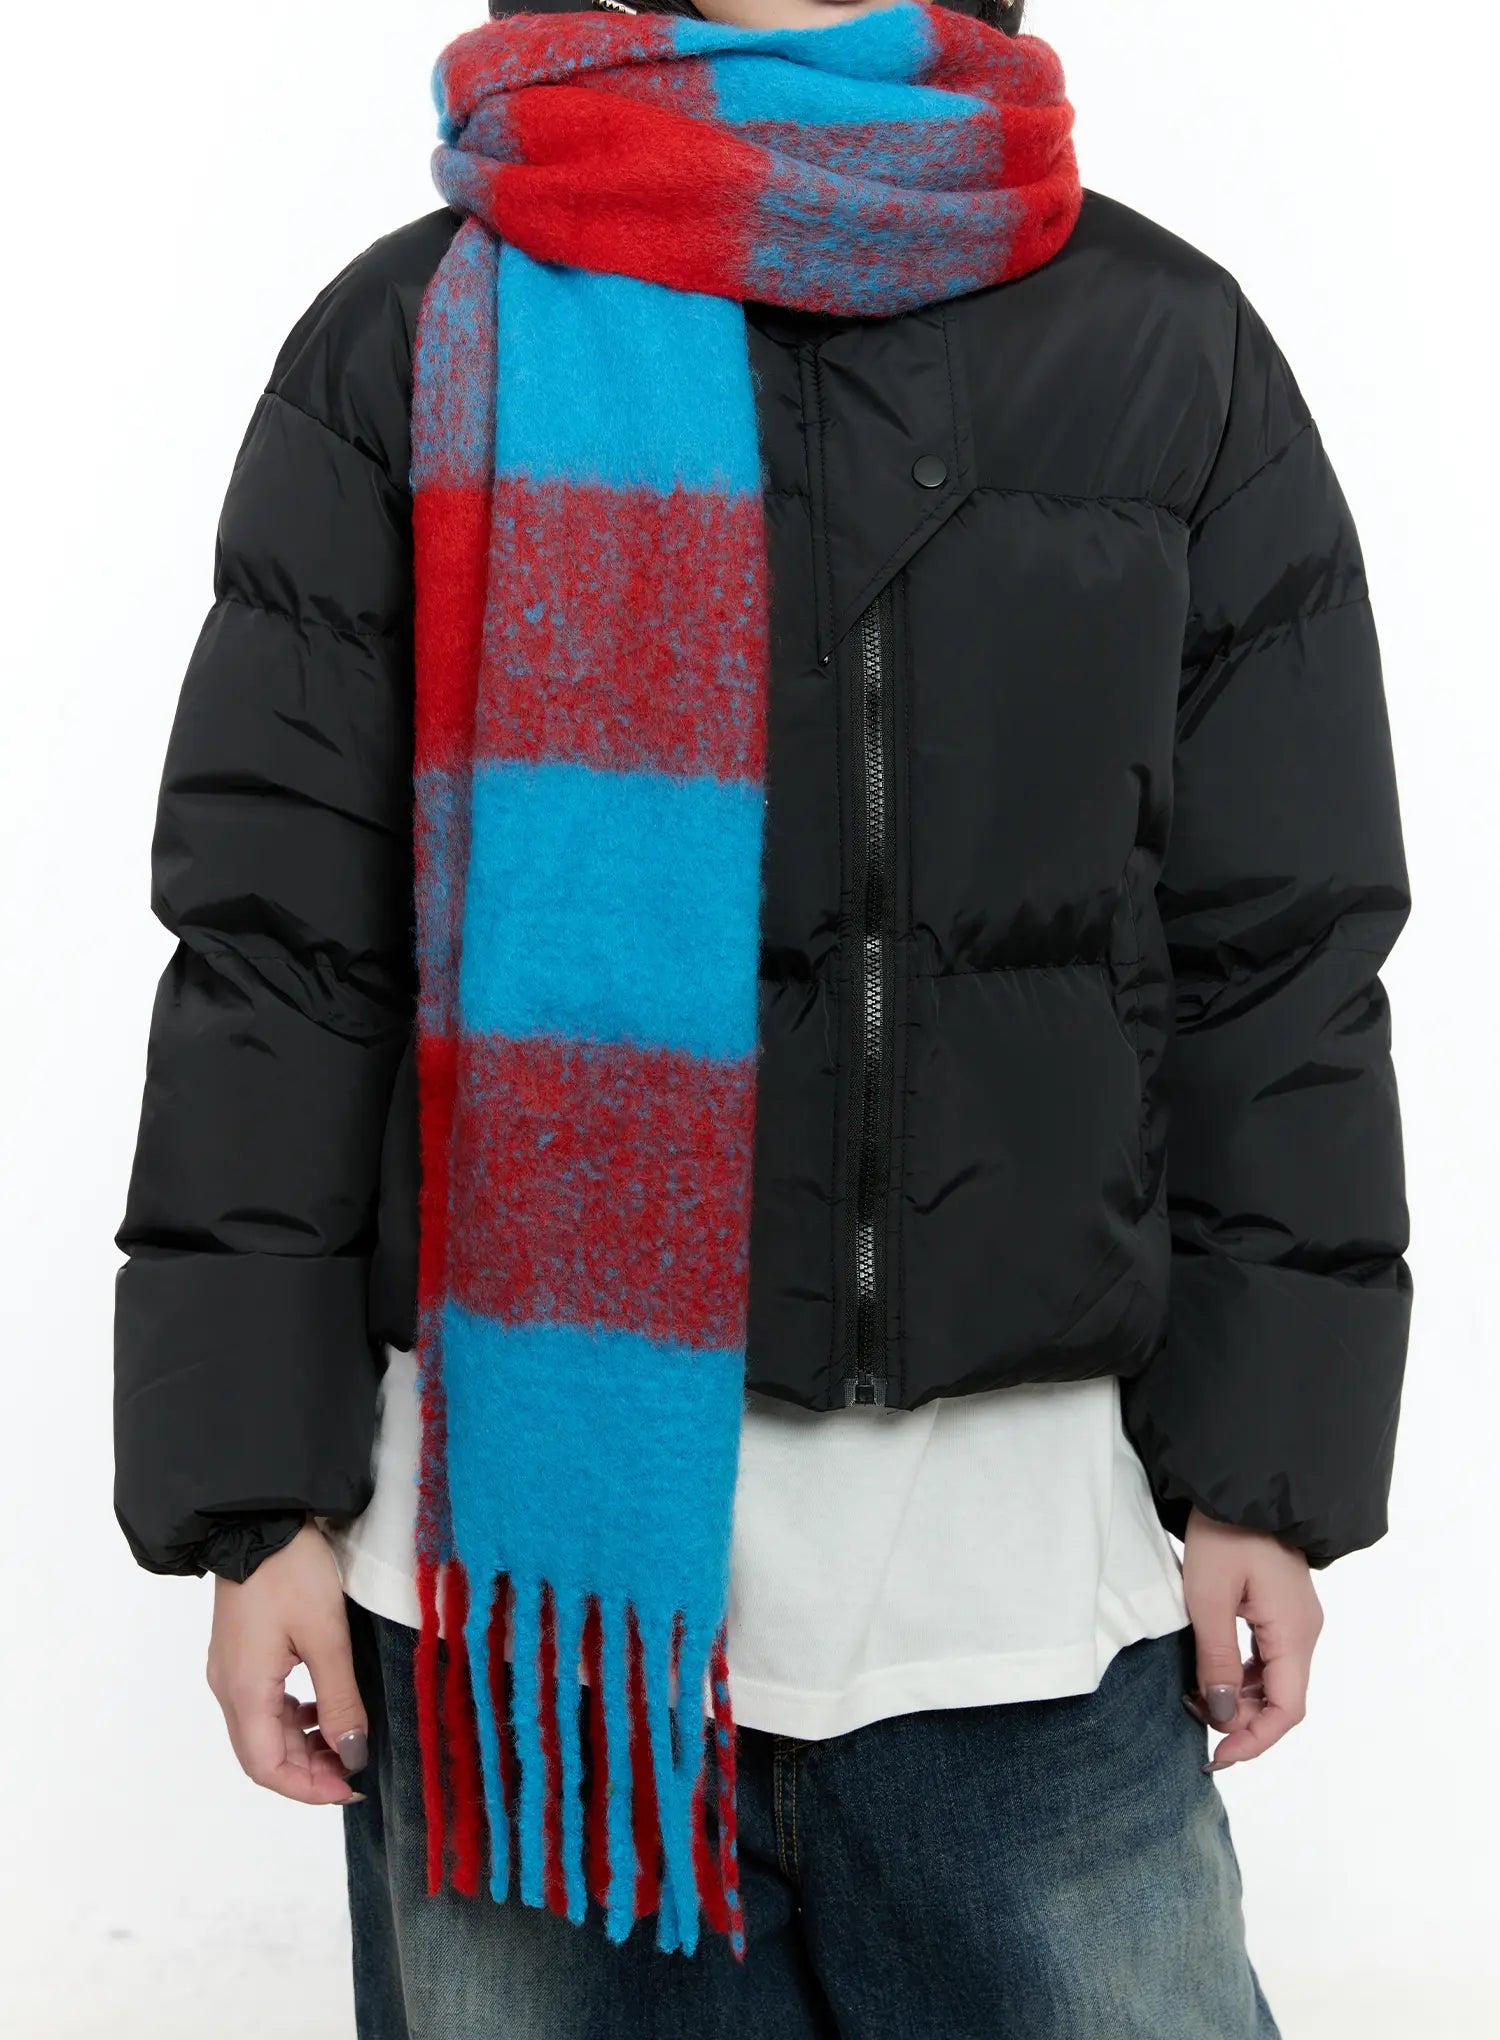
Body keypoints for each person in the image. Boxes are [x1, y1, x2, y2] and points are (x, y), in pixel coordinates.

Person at [113, 0, 1411, 2032]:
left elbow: (1278, 955)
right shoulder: (411, 342)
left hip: (1020, 1625)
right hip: (517, 1642)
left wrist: (1271, 1465)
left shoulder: (1167, 350)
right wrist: (250, 1500)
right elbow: (279, 955)